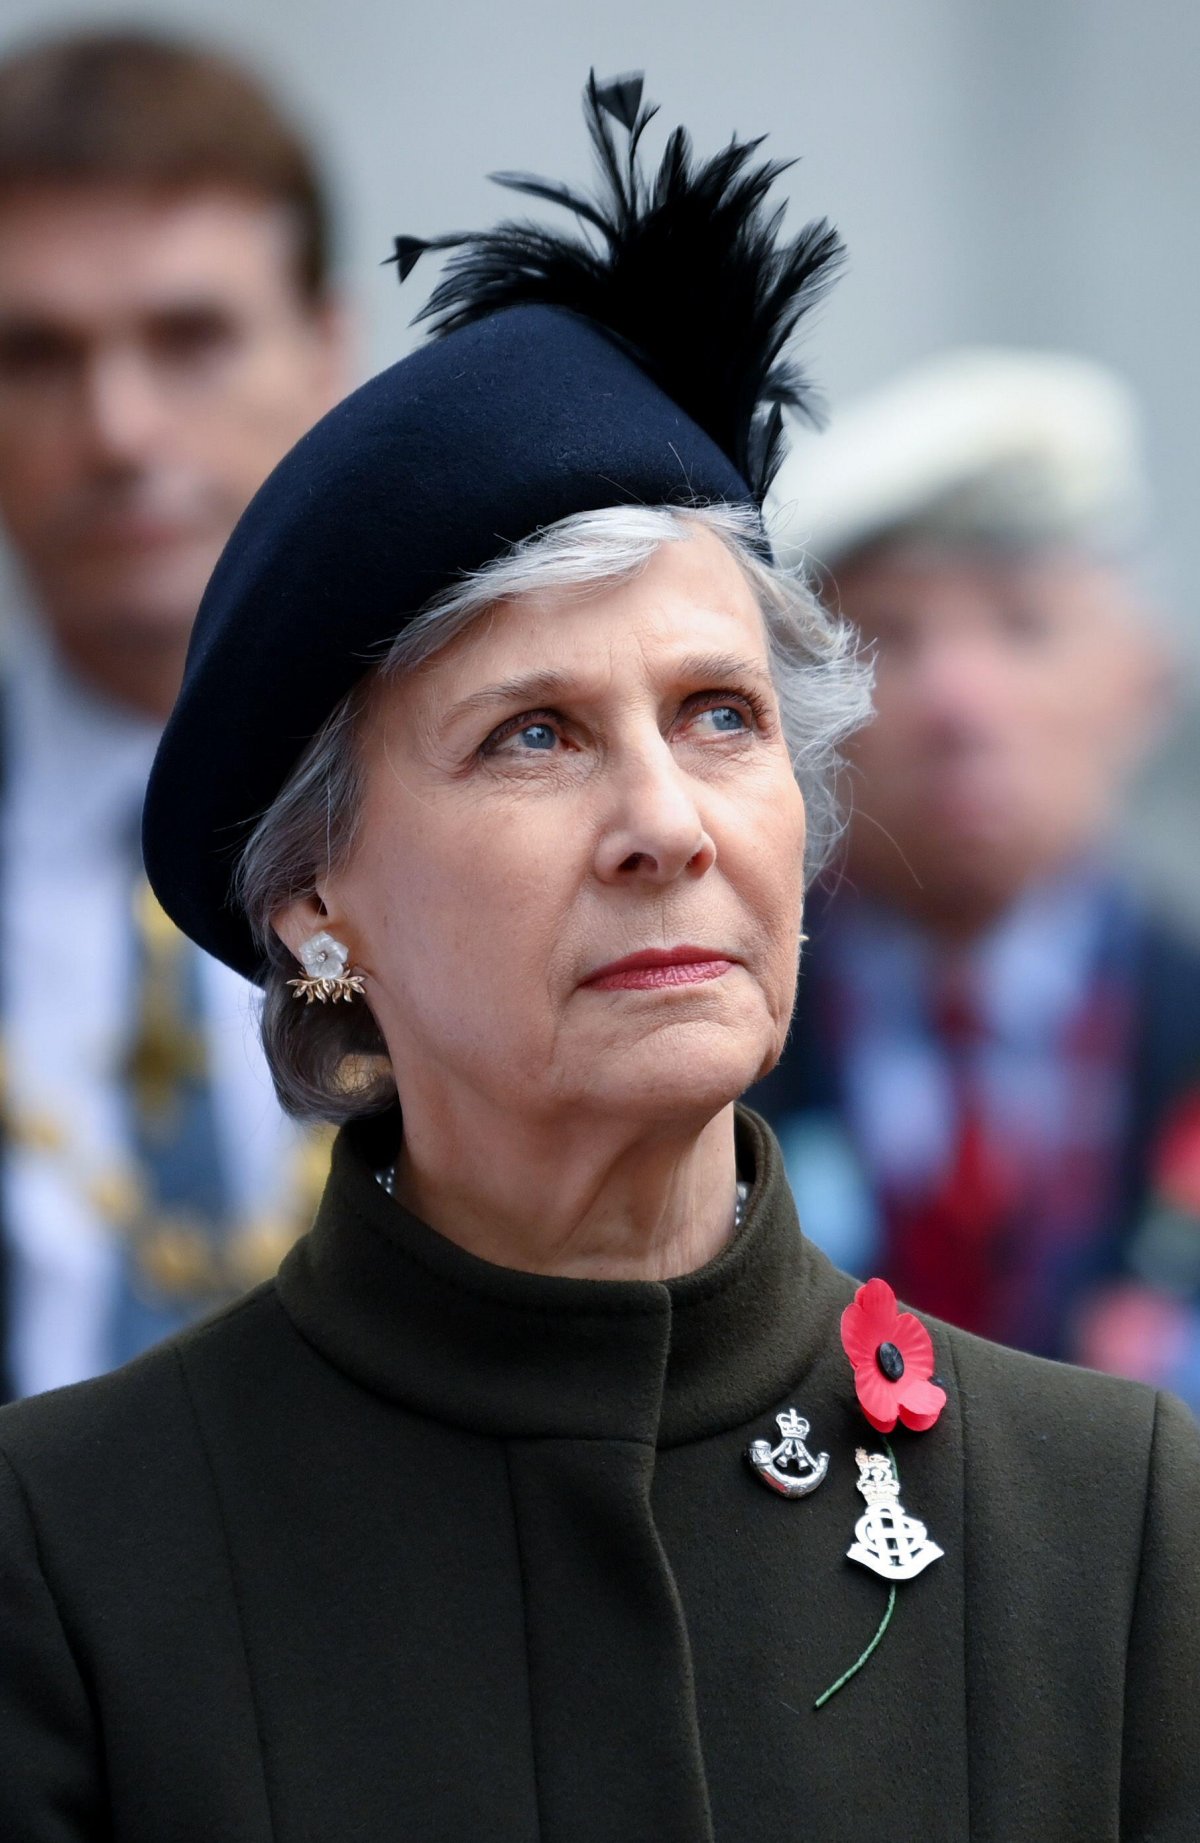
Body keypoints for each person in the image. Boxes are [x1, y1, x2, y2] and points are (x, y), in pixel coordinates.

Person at [1, 73, 1196, 1842]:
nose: (666, 822)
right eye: (534, 736)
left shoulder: (1115, 1517)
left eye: (720, 718)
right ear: (317, 895)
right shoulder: (68, 1550)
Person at [0, 30, 348, 1398]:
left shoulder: (507, 817)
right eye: (35, 353)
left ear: (325, 350)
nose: (121, 426)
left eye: (189, 336)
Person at [751, 349, 1200, 1401]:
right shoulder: (708, 1056)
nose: (957, 697)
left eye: (1023, 623)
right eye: (890, 636)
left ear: (1143, 681)